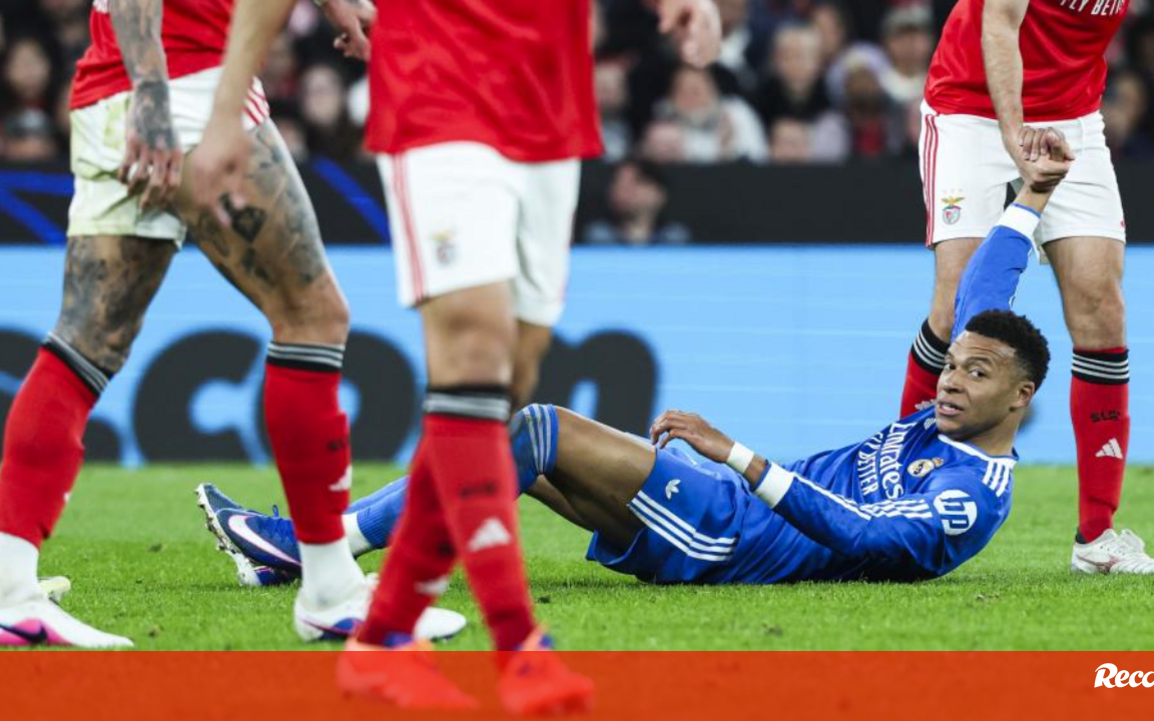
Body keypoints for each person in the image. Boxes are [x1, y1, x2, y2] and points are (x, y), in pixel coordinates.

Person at [199, 133, 1073, 606]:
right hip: (726, 513)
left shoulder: (969, 494)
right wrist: (1031, 197)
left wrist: (736, 455)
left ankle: (317, 549)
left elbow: (865, 536)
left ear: (1021, 397)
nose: (951, 379)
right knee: (517, 448)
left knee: (536, 429)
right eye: (955, 365)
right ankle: (318, 554)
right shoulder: (945, 417)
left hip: (734, 538)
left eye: (976, 374)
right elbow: (982, 295)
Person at [184, 0, 722, 713]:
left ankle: (383, 635)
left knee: (509, 384)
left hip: (549, 100)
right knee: (474, 354)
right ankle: (518, 644)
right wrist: (227, 108)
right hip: (439, 85)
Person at [0, 0, 460, 650]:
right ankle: (331, 590)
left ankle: (8, 591)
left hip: (118, 87)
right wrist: (155, 93)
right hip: (185, 86)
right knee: (313, 316)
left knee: (87, 341)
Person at [905, 0, 1154, 574]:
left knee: (1102, 308)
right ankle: (901, 500)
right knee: (959, 309)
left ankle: (1097, 536)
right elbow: (1000, 21)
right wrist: (1015, 135)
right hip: (971, 109)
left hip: (1073, 117)